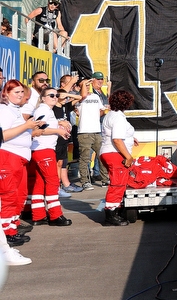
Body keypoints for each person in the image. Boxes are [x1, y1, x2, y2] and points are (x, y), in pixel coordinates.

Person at [0, 80, 44, 265]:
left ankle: (10, 231)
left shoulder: (13, 110)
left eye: (21, 92)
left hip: (17, 157)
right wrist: (26, 127)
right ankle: (7, 235)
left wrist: (31, 129)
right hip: (8, 157)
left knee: (16, 196)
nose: (20, 95)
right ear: (6, 93)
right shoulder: (5, 111)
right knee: (8, 196)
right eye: (16, 92)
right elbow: (3, 135)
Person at [28, 87, 72, 226]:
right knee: (53, 181)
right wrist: (59, 130)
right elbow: (38, 129)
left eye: (56, 95)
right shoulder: (43, 110)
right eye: (51, 95)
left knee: (40, 183)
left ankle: (38, 215)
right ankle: (55, 215)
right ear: (43, 98)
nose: (55, 97)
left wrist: (59, 123)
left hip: (41, 149)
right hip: (43, 149)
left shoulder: (47, 110)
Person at [100, 90, 137, 226]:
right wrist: (128, 156)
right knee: (117, 184)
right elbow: (117, 139)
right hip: (115, 154)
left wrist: (131, 138)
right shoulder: (119, 118)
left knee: (118, 183)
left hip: (108, 152)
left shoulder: (111, 115)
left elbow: (116, 135)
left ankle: (115, 210)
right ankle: (111, 214)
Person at [76, 73, 108, 190]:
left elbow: (102, 110)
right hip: (84, 132)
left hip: (96, 130)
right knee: (85, 158)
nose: (88, 86)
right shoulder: (78, 97)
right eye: (85, 85)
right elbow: (82, 97)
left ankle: (105, 179)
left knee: (102, 156)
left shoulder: (95, 97)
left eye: (89, 84)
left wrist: (94, 115)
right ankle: (85, 181)